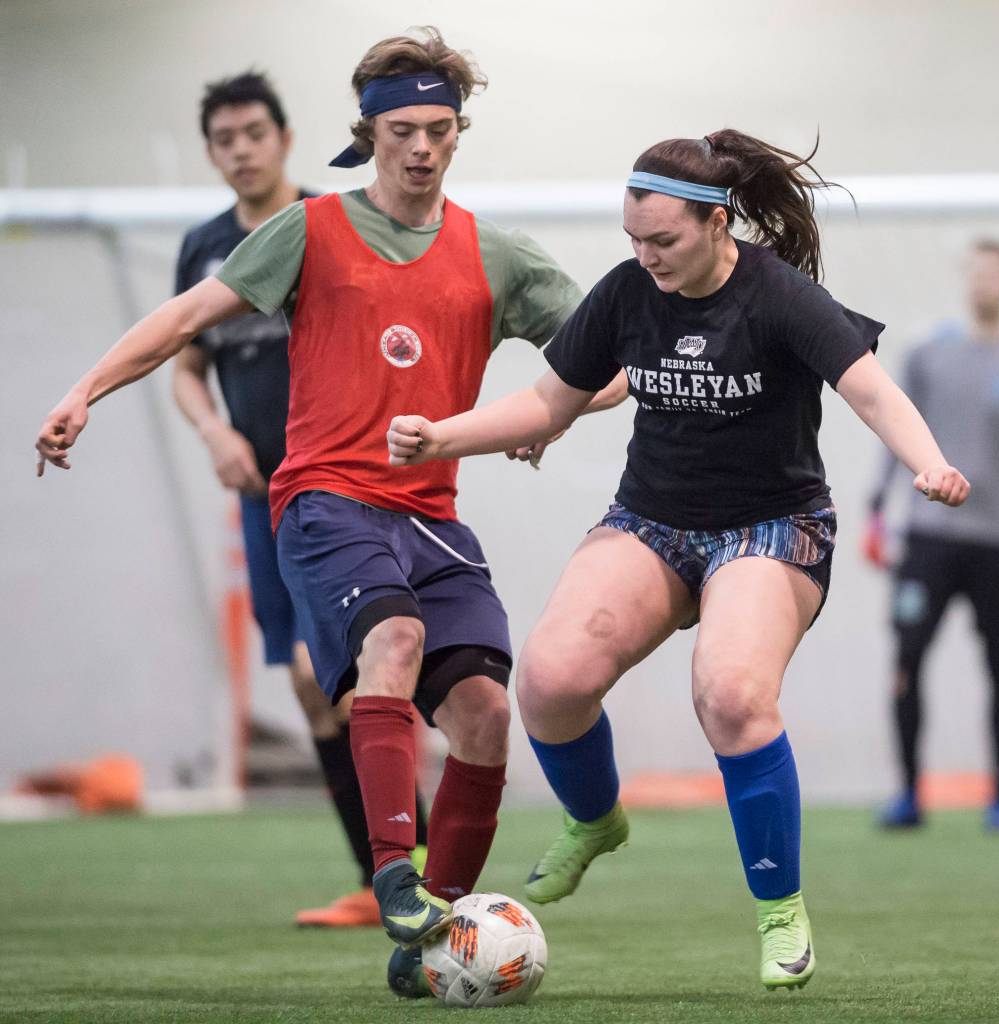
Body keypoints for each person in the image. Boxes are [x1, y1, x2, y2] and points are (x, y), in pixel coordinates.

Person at [35, 27, 624, 997]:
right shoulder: (309, 232)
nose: (423, 147)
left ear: (456, 131)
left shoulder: (497, 255)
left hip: (432, 515)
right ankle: (392, 875)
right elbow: (183, 323)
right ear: (369, 132)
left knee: (482, 715)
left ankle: (425, 934)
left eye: (440, 128)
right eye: (403, 130)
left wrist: (552, 414)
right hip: (322, 498)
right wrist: (83, 391)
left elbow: (605, 367)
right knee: (390, 638)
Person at [386, 131, 970, 991]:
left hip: (770, 527)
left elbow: (870, 391)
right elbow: (549, 402)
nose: (644, 257)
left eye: (662, 241)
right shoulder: (627, 295)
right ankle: (595, 820)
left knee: (730, 693)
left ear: (716, 222)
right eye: (633, 240)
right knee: (548, 680)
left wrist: (927, 461)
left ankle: (779, 911)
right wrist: (445, 434)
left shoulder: (780, 297)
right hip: (653, 521)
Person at [171, 69, 429, 928]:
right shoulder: (204, 248)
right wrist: (215, 433)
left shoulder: (332, 227)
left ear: (283, 139)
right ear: (211, 154)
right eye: (224, 139)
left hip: (350, 487)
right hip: (266, 496)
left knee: (356, 678)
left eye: (254, 133)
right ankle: (378, 878)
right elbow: (187, 368)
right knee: (310, 687)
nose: (241, 150)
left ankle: (419, 870)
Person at [863, 239, 999, 831]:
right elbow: (893, 426)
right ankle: (908, 794)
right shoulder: (931, 353)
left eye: (994, 273)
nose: (982, 282)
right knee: (907, 659)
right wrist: (878, 511)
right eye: (974, 272)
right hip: (928, 535)